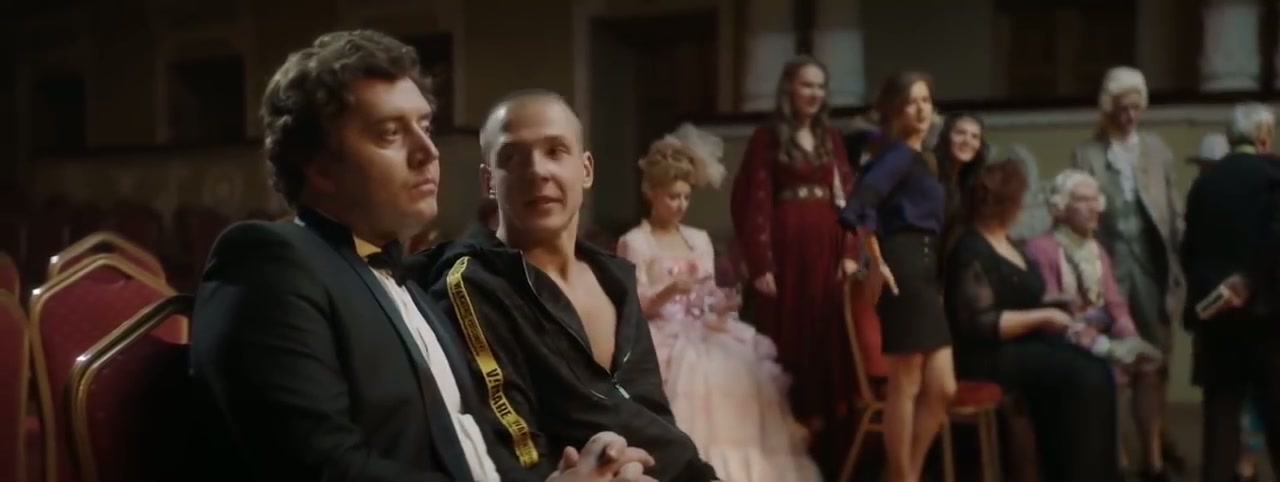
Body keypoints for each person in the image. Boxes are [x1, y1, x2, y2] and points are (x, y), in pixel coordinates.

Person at [189, 30, 654, 482]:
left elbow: (479, 454)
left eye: (426, 127)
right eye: (390, 133)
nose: (428, 152)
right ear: (320, 167)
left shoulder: (410, 283)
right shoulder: (269, 262)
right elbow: (325, 468)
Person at [416, 90, 720, 482]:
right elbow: (513, 449)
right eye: (513, 157)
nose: (537, 171)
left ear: (586, 170)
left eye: (555, 151)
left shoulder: (616, 279)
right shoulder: (471, 285)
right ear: (489, 181)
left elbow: (653, 417)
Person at [616, 124, 821, 482]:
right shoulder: (635, 242)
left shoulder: (698, 239)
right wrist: (669, 291)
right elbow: (634, 307)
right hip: (662, 332)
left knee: (740, 365)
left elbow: (707, 294)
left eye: (685, 197)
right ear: (651, 193)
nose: (680, 205)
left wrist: (724, 303)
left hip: (705, 328)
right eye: (672, 197)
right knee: (688, 373)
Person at [728, 54, 865, 475]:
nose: (814, 93)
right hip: (786, 256)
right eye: (807, 85)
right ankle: (786, 452)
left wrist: (849, 253)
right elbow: (752, 201)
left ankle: (831, 454)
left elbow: (850, 198)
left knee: (829, 343)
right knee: (788, 341)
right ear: (789, 88)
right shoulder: (767, 137)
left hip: (827, 252)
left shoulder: (831, 137)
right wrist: (761, 263)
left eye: (820, 86)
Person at [944, 160, 1121, 482]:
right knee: (1084, 376)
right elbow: (981, 323)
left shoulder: (1009, 242)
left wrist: (1056, 303)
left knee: (1094, 367)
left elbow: (1019, 298)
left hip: (1022, 345)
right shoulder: (971, 249)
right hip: (988, 355)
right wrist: (1043, 316)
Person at [838, 71, 956, 482]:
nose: (921, 109)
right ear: (894, 110)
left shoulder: (925, 158)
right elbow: (859, 205)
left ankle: (902, 474)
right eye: (911, 102)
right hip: (902, 265)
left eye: (926, 100)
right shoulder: (897, 155)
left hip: (924, 269)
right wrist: (876, 261)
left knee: (943, 387)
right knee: (906, 382)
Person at [1070, 66, 1185, 478]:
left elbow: (1174, 213)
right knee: (1112, 366)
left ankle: (1153, 456)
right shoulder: (1087, 154)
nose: (1130, 116)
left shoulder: (1157, 151)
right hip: (1106, 269)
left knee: (1152, 362)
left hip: (1151, 269)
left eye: (1136, 107)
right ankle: (1114, 455)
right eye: (1122, 108)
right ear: (1108, 108)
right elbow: (1075, 218)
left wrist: (1184, 266)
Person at [1182, 102, 1280, 482]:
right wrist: (1250, 281)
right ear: (1264, 136)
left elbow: (1189, 250)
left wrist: (1217, 289)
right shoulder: (1274, 176)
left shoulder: (1204, 184)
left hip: (1217, 316)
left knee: (1221, 417)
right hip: (1268, 315)